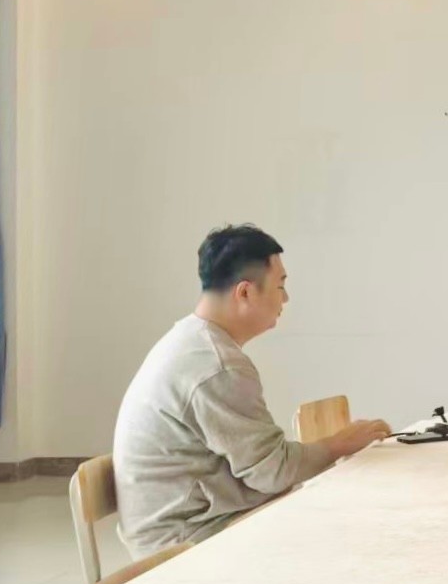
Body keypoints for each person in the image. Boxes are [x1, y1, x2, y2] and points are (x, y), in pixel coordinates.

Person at [113, 225, 391, 557]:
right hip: (185, 544)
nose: (285, 299)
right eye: (280, 286)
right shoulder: (216, 366)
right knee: (352, 528)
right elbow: (273, 473)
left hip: (187, 525)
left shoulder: (190, 341)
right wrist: (338, 444)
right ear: (245, 292)